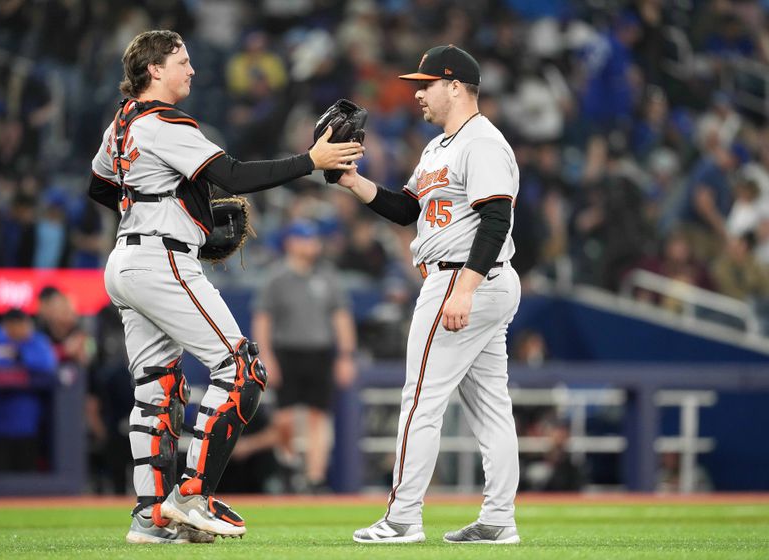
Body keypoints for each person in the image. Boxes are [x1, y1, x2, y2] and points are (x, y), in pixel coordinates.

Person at [88, 30, 363, 545]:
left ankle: (150, 519)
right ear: (154, 70)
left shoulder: (120, 125)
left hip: (127, 257)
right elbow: (232, 176)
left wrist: (169, 212)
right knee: (242, 368)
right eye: (182, 61)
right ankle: (191, 494)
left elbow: (100, 184)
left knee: (156, 391)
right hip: (160, 259)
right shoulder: (164, 121)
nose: (191, 70)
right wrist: (311, 161)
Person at [337, 45, 522, 545]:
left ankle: (402, 518)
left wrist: (464, 289)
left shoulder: (481, 142)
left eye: (427, 84)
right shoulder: (440, 147)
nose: (417, 93)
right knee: (490, 406)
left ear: (456, 86)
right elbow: (405, 210)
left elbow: (495, 219)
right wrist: (354, 182)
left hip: (465, 277)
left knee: (420, 398)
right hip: (471, 278)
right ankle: (499, 519)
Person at [251, 220, 357, 493]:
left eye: (314, 240)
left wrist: (346, 355)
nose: (312, 245)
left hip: (319, 352)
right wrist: (267, 358)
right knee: (284, 419)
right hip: (287, 351)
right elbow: (263, 319)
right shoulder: (276, 277)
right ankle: (288, 466)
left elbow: (341, 316)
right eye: (305, 239)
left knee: (318, 417)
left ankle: (315, 478)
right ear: (291, 243)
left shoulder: (327, 276)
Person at [0, 308, 57, 472]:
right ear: (7, 326)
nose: (24, 329)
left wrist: (19, 355)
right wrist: (16, 366)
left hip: (28, 424)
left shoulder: (36, 340)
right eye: (19, 326)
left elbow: (48, 363)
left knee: (26, 476)